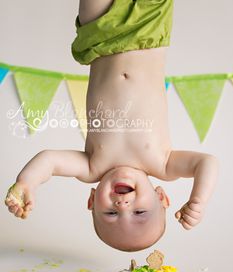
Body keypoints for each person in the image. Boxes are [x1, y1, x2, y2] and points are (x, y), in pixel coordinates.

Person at [5, 0, 219, 252]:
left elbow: (49, 161)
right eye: (140, 211)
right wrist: (198, 200)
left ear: (92, 200)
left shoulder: (92, 167)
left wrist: (27, 183)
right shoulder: (163, 163)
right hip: (148, 29)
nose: (123, 206)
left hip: (100, 35)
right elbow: (207, 163)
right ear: (161, 197)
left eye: (109, 213)